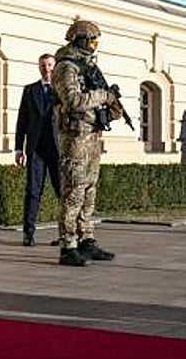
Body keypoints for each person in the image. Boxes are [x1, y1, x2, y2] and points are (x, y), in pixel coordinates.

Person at [52, 19, 121, 267]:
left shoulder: (88, 66)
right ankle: (68, 244)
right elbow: (72, 100)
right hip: (75, 136)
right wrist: (103, 96)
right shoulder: (66, 67)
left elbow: (99, 97)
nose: (94, 45)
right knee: (74, 189)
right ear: (79, 40)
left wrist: (113, 107)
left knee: (90, 188)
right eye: (91, 40)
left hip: (92, 134)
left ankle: (86, 239)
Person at [14, 53, 61, 247]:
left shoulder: (62, 91)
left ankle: (66, 234)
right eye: (43, 65)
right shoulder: (30, 90)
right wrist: (18, 148)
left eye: (50, 65)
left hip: (58, 150)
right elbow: (21, 121)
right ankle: (28, 233)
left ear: (55, 67)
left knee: (62, 193)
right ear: (39, 67)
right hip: (35, 150)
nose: (47, 69)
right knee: (33, 192)